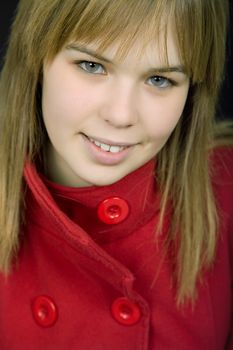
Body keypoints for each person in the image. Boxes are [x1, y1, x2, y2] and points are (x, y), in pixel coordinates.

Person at [0, 0, 232, 349]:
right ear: (36, 56)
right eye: (92, 65)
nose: (121, 114)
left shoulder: (225, 192)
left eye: (159, 79)